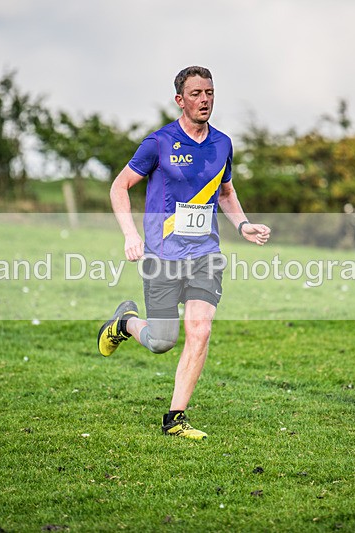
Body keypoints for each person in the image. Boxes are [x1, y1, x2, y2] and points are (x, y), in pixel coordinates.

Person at [97, 66, 270, 440]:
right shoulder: (158, 143)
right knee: (162, 341)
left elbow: (225, 192)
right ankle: (126, 323)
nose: (204, 99)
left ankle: (175, 418)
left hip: (205, 254)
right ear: (180, 100)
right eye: (195, 93)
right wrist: (130, 235)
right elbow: (119, 187)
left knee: (200, 330)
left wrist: (243, 225)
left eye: (209, 92)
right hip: (162, 255)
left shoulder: (222, 143)